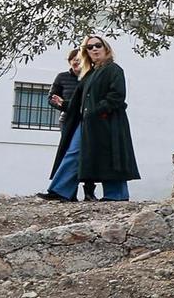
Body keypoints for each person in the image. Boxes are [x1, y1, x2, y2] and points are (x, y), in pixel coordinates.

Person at [44, 35, 140, 201]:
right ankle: (60, 191)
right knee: (73, 152)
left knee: (111, 155)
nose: (94, 49)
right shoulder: (89, 74)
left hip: (108, 121)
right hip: (87, 122)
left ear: (105, 48)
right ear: (86, 52)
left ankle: (116, 195)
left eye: (98, 45)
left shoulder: (114, 69)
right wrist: (64, 104)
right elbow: (78, 102)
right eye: (90, 47)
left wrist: (97, 111)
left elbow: (117, 96)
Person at [44, 47, 98, 201]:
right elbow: (51, 98)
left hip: (88, 119)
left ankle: (89, 191)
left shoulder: (90, 76)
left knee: (88, 155)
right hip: (68, 120)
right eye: (73, 59)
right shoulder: (62, 77)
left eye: (79, 58)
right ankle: (68, 192)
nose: (76, 61)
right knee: (70, 154)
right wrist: (61, 104)